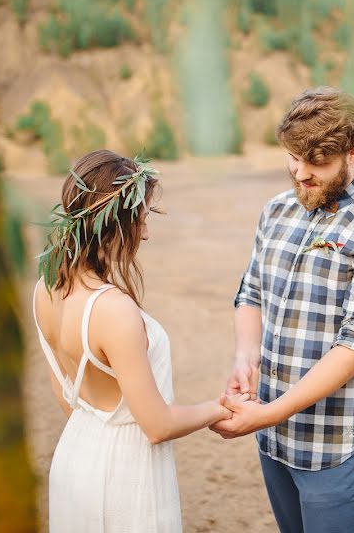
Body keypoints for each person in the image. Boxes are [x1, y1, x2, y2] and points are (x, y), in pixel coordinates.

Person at [212, 87, 354, 533]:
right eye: (293, 158)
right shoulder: (277, 210)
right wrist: (245, 358)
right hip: (272, 438)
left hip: (333, 444)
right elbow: (251, 293)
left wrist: (267, 413)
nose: (301, 173)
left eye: (317, 163)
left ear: (353, 151)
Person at [32, 150, 243, 532]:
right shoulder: (114, 311)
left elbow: (68, 399)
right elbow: (157, 425)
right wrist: (222, 408)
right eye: (142, 218)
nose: (145, 232)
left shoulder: (45, 291)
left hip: (76, 456)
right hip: (124, 474)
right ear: (116, 223)